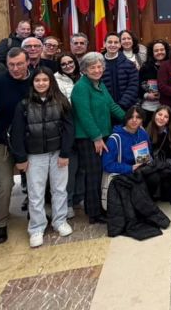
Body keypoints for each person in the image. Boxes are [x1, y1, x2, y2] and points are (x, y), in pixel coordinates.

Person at [12, 67, 74, 248]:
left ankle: (60, 221)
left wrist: (65, 153)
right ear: (32, 83)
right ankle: (36, 227)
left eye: (45, 80)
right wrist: (21, 157)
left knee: (59, 189)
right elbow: (17, 132)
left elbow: (69, 128)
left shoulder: (61, 101)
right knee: (36, 192)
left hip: (58, 153)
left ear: (51, 82)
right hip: (34, 155)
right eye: (37, 80)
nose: (41, 83)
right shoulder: (24, 104)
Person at [0, 48, 33, 244]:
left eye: (19, 64)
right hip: (0, 141)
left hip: (30, 141)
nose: (15, 68)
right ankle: (1, 224)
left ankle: (36, 216)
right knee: (3, 185)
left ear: (28, 62)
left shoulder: (36, 80)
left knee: (36, 181)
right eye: (11, 65)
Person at [72, 52, 126, 224]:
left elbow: (112, 106)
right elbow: (84, 115)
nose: (97, 70)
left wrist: (130, 121)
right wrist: (96, 137)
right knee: (93, 175)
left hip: (103, 135)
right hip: (89, 138)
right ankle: (94, 213)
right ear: (84, 70)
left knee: (102, 172)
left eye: (99, 66)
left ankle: (101, 207)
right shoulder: (81, 87)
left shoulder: (100, 84)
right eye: (92, 67)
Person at [101, 33, 141, 115]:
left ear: (120, 45)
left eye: (116, 42)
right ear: (104, 44)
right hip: (104, 109)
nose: (113, 45)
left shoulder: (129, 65)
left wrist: (121, 105)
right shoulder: (98, 64)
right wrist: (108, 106)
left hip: (125, 109)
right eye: (110, 42)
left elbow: (133, 87)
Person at [147, 105, 171, 200]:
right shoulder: (146, 131)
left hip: (166, 164)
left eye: (166, 117)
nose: (162, 118)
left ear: (169, 120)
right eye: (160, 114)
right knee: (152, 177)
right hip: (151, 164)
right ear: (155, 115)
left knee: (166, 191)